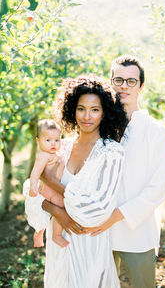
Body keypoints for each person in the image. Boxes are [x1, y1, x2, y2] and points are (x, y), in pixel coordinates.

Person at [23, 75, 128, 288]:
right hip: (59, 243)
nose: (86, 116)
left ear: (105, 112)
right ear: (72, 110)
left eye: (95, 109)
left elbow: (97, 210)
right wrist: (56, 211)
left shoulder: (111, 152)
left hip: (89, 243)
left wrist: (52, 181)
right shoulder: (60, 148)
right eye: (81, 108)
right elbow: (32, 191)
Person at [84, 55, 165, 288]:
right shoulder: (98, 128)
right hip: (98, 232)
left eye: (131, 81)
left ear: (141, 86)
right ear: (110, 82)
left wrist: (114, 216)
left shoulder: (156, 132)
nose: (124, 86)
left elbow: (156, 190)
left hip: (137, 233)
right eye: (118, 80)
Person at [29, 119, 68, 248]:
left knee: (46, 214)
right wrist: (33, 185)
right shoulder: (44, 155)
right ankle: (56, 235)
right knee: (62, 206)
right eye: (48, 140)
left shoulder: (55, 153)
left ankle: (39, 233)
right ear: (38, 141)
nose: (53, 144)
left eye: (57, 140)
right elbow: (36, 171)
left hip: (53, 188)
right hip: (48, 190)